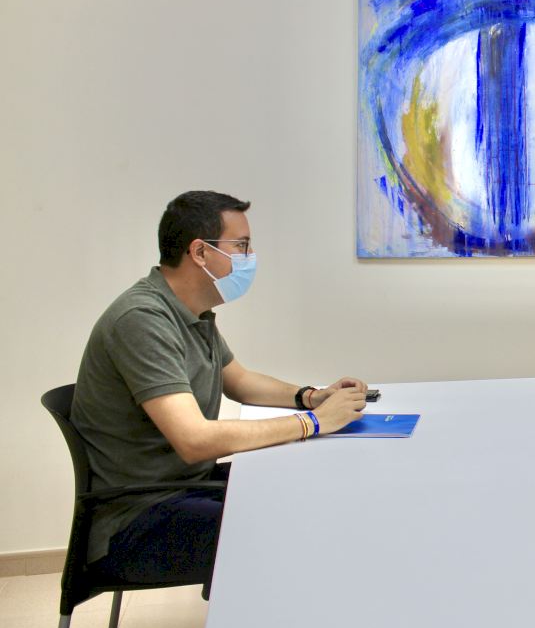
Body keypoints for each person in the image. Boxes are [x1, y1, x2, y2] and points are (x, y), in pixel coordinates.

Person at [71, 190, 369, 585]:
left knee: (307, 487)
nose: (250, 256)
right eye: (241, 245)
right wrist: (313, 423)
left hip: (185, 488)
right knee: (297, 523)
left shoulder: (191, 313)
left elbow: (240, 381)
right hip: (135, 520)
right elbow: (194, 440)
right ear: (199, 252)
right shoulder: (142, 319)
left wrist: (312, 397)